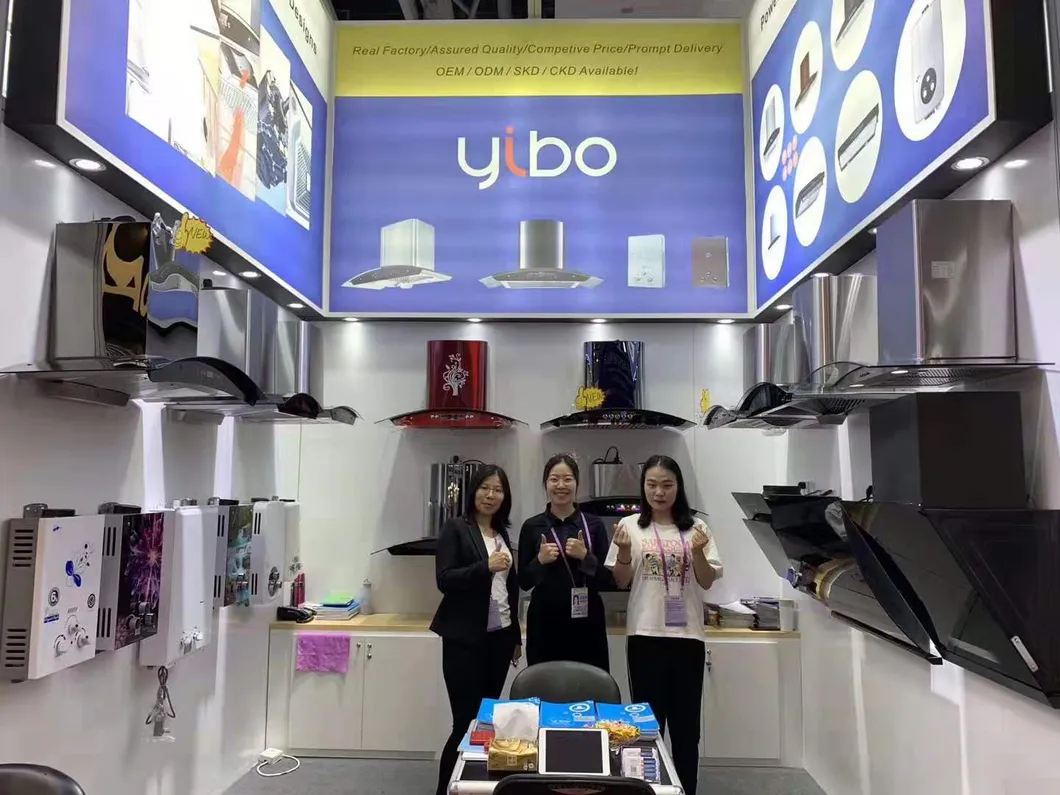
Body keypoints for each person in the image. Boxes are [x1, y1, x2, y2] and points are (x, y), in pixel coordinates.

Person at [604, 455, 723, 795]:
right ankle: (649, 789)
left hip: (688, 636)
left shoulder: (697, 528)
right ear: (643, 488)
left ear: (678, 487)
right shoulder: (629, 526)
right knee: (646, 727)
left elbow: (707, 580)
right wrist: (623, 552)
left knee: (687, 730)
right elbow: (621, 580)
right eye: (652, 485)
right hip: (645, 634)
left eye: (667, 485)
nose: (659, 492)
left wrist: (697, 553)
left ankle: (685, 790)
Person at [430, 465, 521, 795]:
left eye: (498, 490)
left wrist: (515, 636)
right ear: (473, 491)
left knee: (485, 722)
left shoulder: (502, 534)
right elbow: (445, 580)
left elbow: (508, 591)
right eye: (485, 488)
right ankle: (446, 790)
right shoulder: (456, 528)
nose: (490, 495)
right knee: (465, 723)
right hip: (465, 639)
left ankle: (474, 788)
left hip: (500, 638)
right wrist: (485, 566)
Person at [518, 454, 612, 671]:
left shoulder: (594, 524)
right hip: (544, 621)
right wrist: (539, 561)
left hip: (587, 620)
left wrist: (585, 557)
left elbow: (608, 580)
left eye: (567, 479)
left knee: (589, 683)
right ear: (546, 484)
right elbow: (523, 581)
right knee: (544, 683)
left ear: (577, 484)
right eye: (554, 479)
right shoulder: (532, 526)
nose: (561, 485)